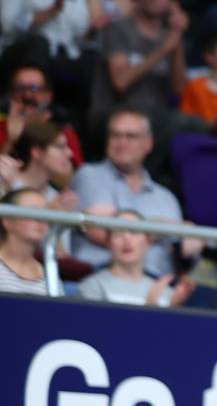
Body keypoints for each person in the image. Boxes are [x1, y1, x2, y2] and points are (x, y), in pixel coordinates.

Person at [70, 109, 200, 277]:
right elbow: (101, 234)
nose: (122, 142)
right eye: (115, 135)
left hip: (157, 285)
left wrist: (191, 236)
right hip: (101, 275)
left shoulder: (166, 197)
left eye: (130, 136)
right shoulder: (89, 175)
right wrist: (174, 228)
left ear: (148, 143)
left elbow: (183, 249)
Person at [88, 0, 191, 181]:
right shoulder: (119, 29)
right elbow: (120, 82)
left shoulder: (168, 37)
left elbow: (179, 90)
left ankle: (149, 183)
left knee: (195, 125)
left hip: (152, 120)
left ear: (172, 4)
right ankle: (139, 179)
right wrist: (162, 50)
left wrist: (176, 37)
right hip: (112, 113)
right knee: (172, 121)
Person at [78, 209, 195, 306]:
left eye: (134, 232)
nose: (126, 239)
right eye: (118, 233)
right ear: (109, 243)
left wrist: (174, 306)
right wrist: (150, 309)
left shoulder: (164, 290)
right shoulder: (92, 286)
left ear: (147, 241)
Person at [0, 64, 84, 168]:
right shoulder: (1, 128)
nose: (27, 94)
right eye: (20, 88)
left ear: (48, 95)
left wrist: (40, 134)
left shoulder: (64, 132)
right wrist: (12, 140)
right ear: (11, 94)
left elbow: (71, 179)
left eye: (34, 88)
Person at [1, 121, 76, 209]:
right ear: (37, 152)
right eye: (60, 147)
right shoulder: (5, 181)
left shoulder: (57, 198)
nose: (70, 153)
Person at [0, 187, 55, 295]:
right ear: (8, 221)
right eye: (32, 212)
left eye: (45, 213)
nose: (41, 219)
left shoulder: (50, 275)